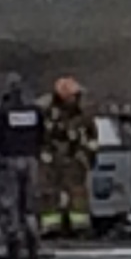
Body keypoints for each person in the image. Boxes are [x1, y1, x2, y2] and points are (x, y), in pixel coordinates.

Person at [0, 79, 46, 259]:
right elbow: (42, 135)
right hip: (31, 160)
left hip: (10, 160)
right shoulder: (35, 112)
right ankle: (33, 248)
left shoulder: (5, 112)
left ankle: (14, 249)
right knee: (30, 206)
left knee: (10, 205)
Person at [40, 76, 96, 236]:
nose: (75, 99)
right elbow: (42, 135)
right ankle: (51, 226)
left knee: (77, 192)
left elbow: (92, 136)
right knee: (49, 192)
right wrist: (45, 153)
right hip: (52, 157)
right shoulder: (48, 112)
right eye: (72, 96)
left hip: (74, 158)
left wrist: (87, 155)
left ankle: (80, 226)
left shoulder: (83, 116)